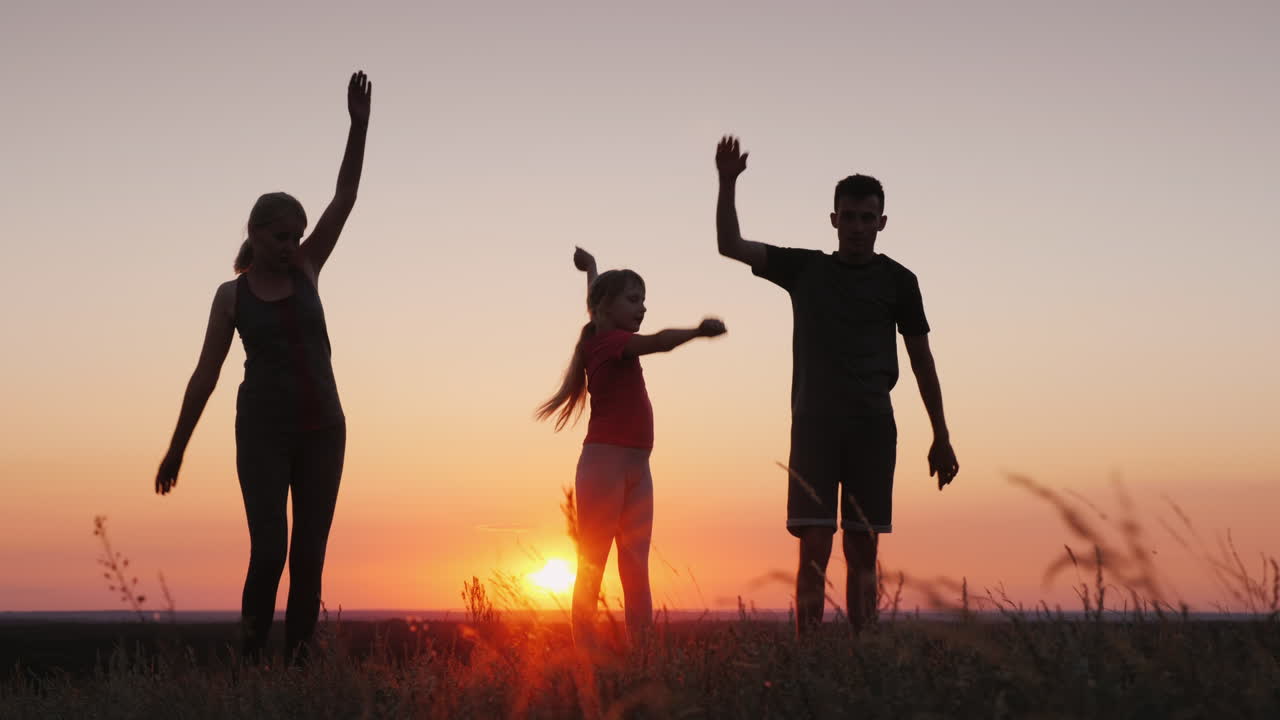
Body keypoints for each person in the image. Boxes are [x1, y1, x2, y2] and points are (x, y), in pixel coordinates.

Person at [154, 71, 372, 661]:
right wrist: (177, 448)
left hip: (325, 429)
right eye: (281, 236)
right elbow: (205, 376)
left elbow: (345, 199)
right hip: (263, 435)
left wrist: (357, 127)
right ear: (254, 234)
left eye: (297, 234)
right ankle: (249, 672)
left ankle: (297, 675)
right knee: (269, 551)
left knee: (309, 559)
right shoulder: (232, 296)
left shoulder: (307, 268)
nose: (292, 243)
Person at [713, 135, 959, 634]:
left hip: (873, 427)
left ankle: (860, 659)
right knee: (816, 548)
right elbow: (730, 246)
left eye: (868, 218)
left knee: (863, 548)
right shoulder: (805, 269)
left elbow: (921, 360)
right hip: (815, 427)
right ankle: (809, 663)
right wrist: (727, 181)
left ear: (882, 223)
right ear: (834, 220)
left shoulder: (899, 281)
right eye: (849, 216)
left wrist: (942, 434)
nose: (858, 227)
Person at [536, 247, 727, 649]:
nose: (642, 308)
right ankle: (585, 656)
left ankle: (642, 656)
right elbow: (658, 342)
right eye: (634, 299)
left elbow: (596, 303)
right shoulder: (609, 344)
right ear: (609, 306)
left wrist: (591, 269)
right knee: (592, 566)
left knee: (636, 565)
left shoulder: (601, 330)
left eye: (643, 300)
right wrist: (696, 331)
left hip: (637, 469)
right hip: (605, 465)